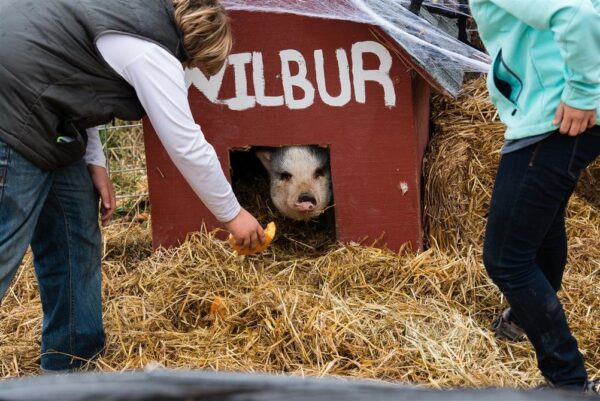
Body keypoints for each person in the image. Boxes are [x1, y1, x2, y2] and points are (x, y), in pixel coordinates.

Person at [0, 0, 265, 372]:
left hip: (50, 113)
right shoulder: (152, 50)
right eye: (192, 66)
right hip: (11, 107)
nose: (186, 72)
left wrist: (95, 159)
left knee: (75, 234)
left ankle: (70, 364)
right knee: (4, 242)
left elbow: (72, 70)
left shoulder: (130, 15)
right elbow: (186, 144)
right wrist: (232, 214)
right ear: (191, 50)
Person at [469, 0, 599, 394]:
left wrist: (583, 91)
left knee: (506, 258)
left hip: (553, 120)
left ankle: (567, 382)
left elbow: (578, 16)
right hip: (555, 113)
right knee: (542, 228)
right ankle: (524, 319)